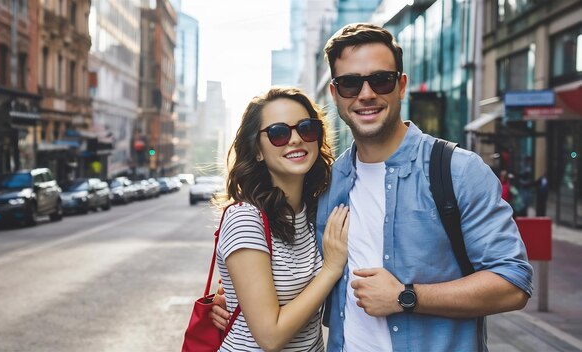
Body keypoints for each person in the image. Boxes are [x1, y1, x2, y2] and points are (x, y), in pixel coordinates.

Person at [315, 23, 533, 351]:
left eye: (381, 79)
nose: (366, 94)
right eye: (349, 83)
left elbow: (513, 284)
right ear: (335, 94)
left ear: (401, 85)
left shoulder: (458, 170)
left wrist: (407, 297)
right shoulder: (326, 183)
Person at [211, 87, 350, 351]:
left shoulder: (317, 209)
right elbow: (270, 337)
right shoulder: (245, 219)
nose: (296, 139)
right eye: (278, 133)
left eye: (306, 128)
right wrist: (330, 269)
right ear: (257, 151)